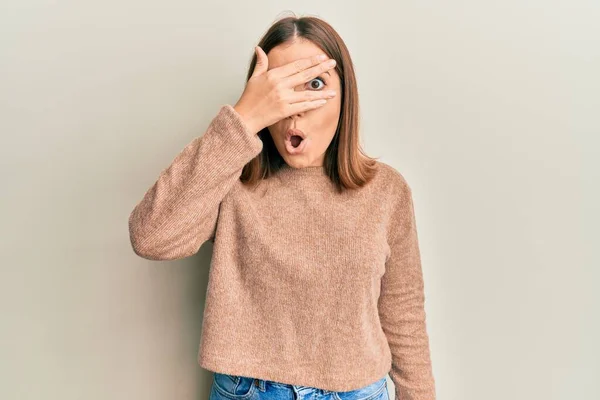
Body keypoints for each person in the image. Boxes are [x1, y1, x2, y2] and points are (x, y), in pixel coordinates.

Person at [128, 15, 436, 400]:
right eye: (281, 89)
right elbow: (151, 237)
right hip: (248, 392)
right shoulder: (231, 180)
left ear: (346, 96)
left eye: (315, 84)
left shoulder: (387, 191)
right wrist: (243, 119)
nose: (297, 107)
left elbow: (403, 313)